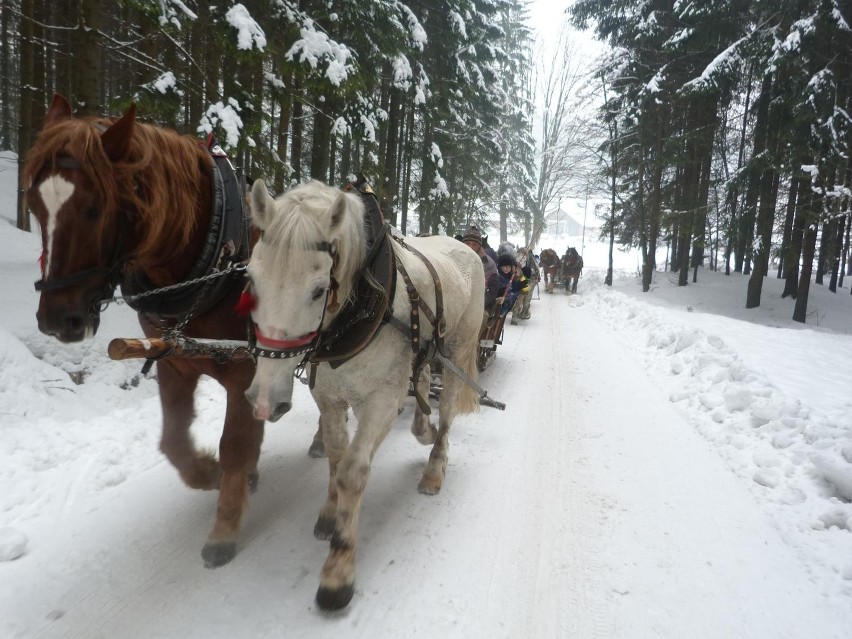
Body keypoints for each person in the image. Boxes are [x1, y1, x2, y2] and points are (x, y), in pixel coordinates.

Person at [462, 226, 500, 309]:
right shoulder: (454, 259)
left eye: (474, 244)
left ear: (480, 246)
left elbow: (493, 289)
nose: (470, 247)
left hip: (479, 304)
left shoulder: (489, 264)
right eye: (467, 243)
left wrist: (478, 303)